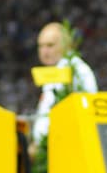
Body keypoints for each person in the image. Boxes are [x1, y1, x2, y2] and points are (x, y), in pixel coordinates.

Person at [30, 22, 98, 151]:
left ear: (65, 45)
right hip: (50, 147)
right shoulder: (56, 71)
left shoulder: (77, 70)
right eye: (41, 46)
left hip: (67, 146)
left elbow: (85, 112)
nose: (44, 51)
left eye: (50, 45)